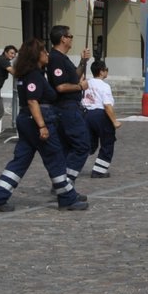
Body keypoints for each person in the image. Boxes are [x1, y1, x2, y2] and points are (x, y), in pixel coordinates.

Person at [0, 38, 86, 213]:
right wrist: (42, 126)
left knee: (20, 161)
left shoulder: (28, 74)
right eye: (44, 51)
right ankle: (67, 198)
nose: (47, 54)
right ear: (36, 55)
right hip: (38, 119)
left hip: (26, 120)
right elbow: (32, 101)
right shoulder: (34, 75)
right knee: (55, 158)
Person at [46, 26, 92, 186]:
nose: (72, 39)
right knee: (82, 146)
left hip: (69, 107)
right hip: (66, 108)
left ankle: (62, 184)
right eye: (70, 36)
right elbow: (61, 86)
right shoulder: (56, 58)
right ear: (63, 39)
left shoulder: (63, 58)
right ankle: (65, 184)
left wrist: (82, 62)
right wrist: (81, 87)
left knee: (66, 148)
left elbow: (73, 77)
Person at [81, 59, 119, 178]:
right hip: (100, 115)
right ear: (101, 72)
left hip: (86, 115)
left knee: (88, 144)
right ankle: (99, 170)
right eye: (106, 69)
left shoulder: (86, 83)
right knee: (107, 142)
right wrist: (114, 121)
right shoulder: (104, 86)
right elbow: (107, 105)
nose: (107, 71)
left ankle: (71, 164)